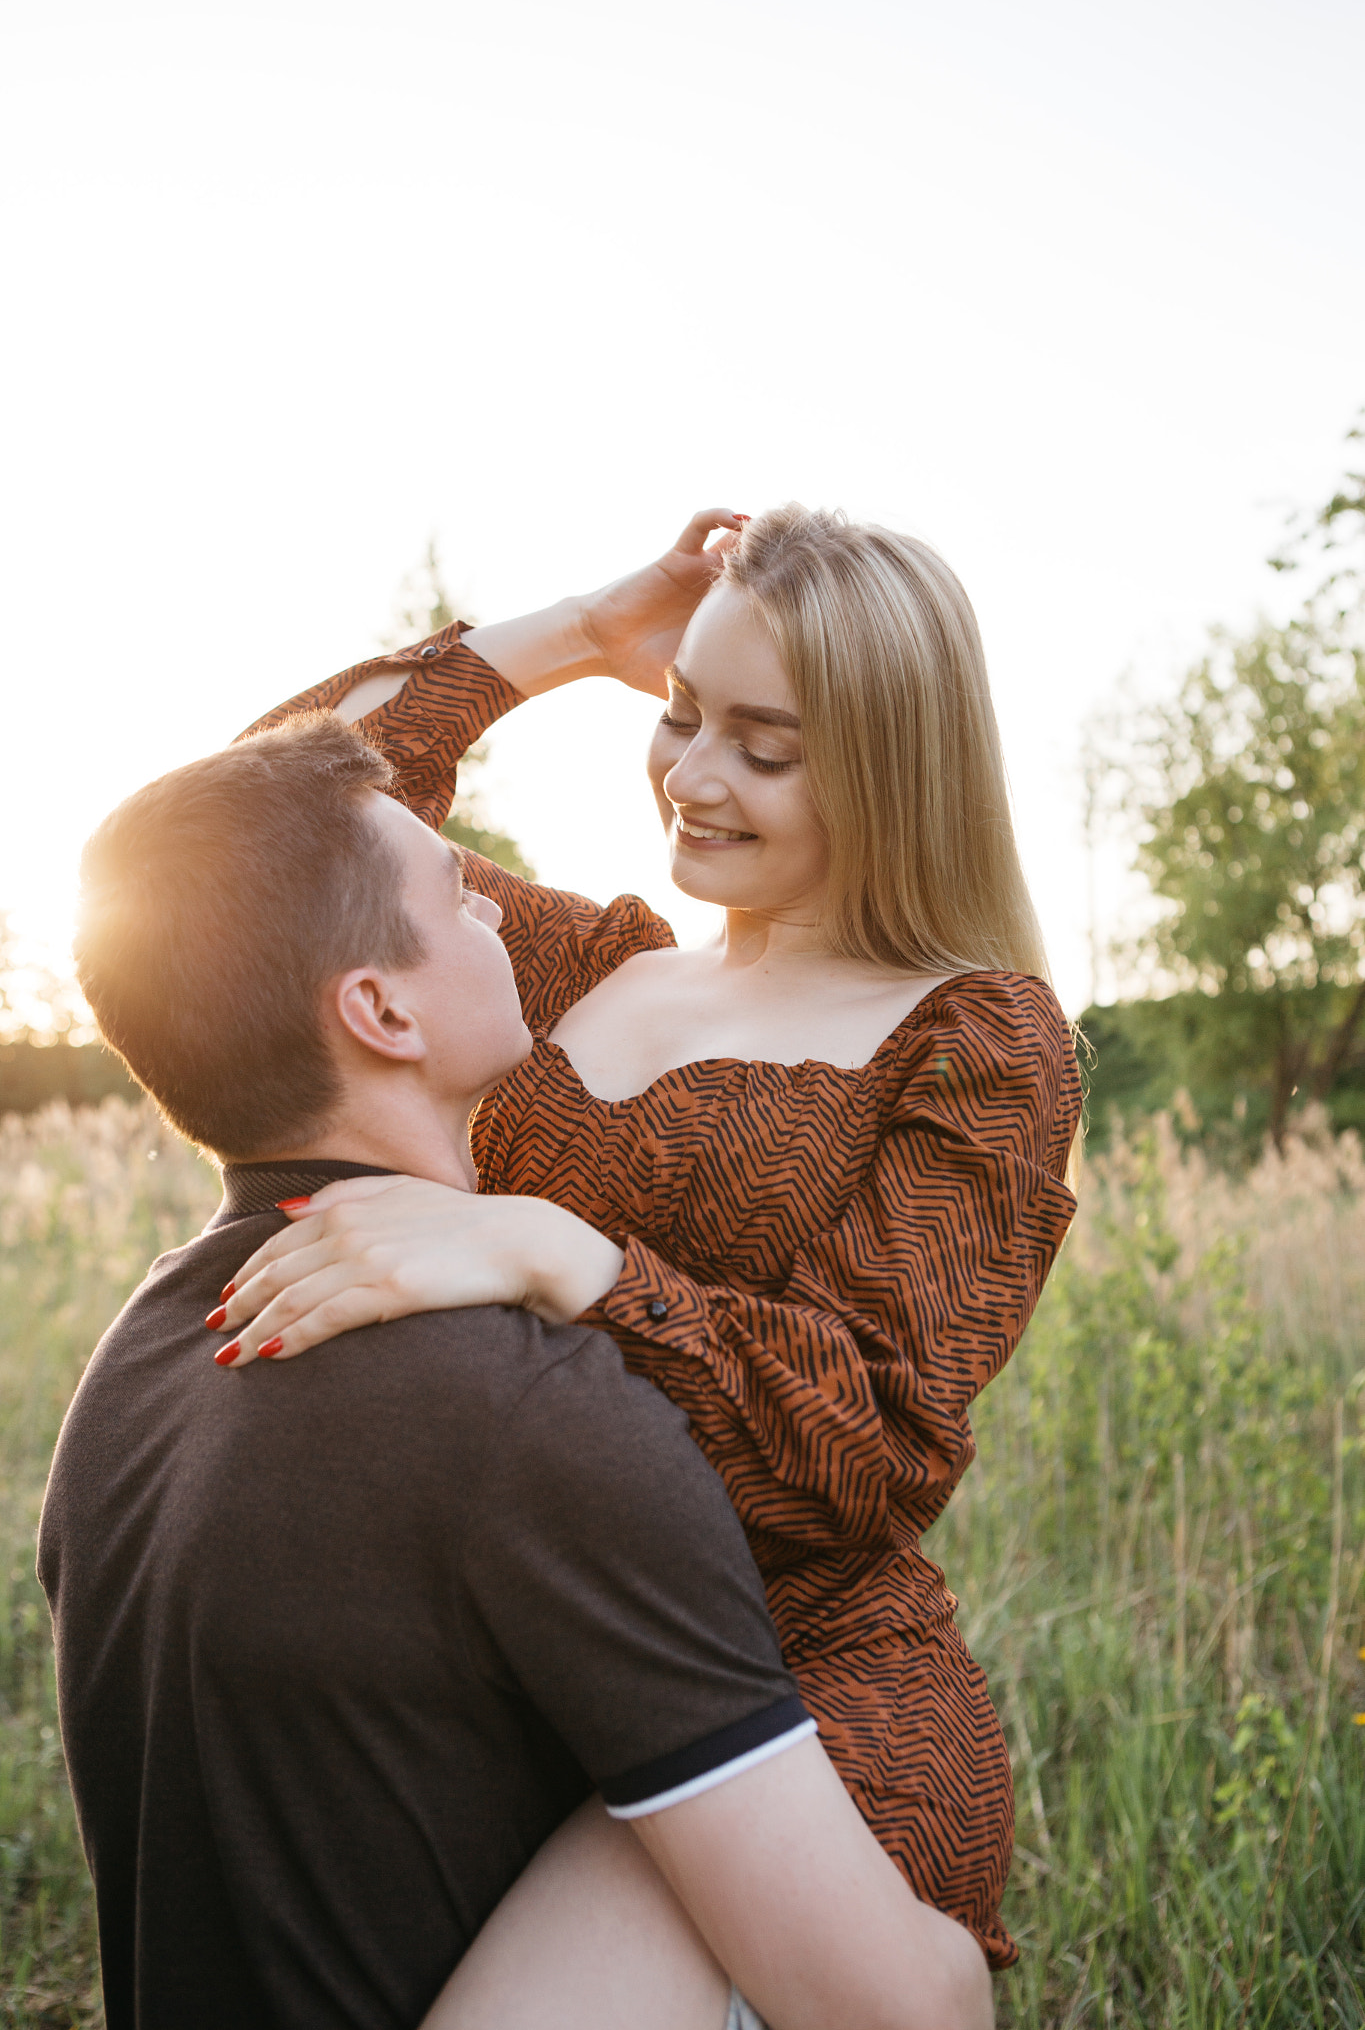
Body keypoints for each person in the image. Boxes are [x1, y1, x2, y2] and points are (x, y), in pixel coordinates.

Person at [220, 503, 1084, 1972]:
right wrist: (576, 634)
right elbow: (258, 821)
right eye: (682, 715)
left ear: (889, 763)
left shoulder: (975, 1037)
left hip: (792, 1704)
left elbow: (876, 1448)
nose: (689, 775)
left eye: (764, 743)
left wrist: (569, 1255)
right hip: (518, 1663)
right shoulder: (577, 965)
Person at [40, 714, 992, 2030]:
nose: (498, 914)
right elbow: (895, 2012)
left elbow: (202, 860)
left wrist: (581, 630)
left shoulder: (137, 1363)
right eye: (459, 895)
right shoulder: (536, 1413)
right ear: (378, 1008)